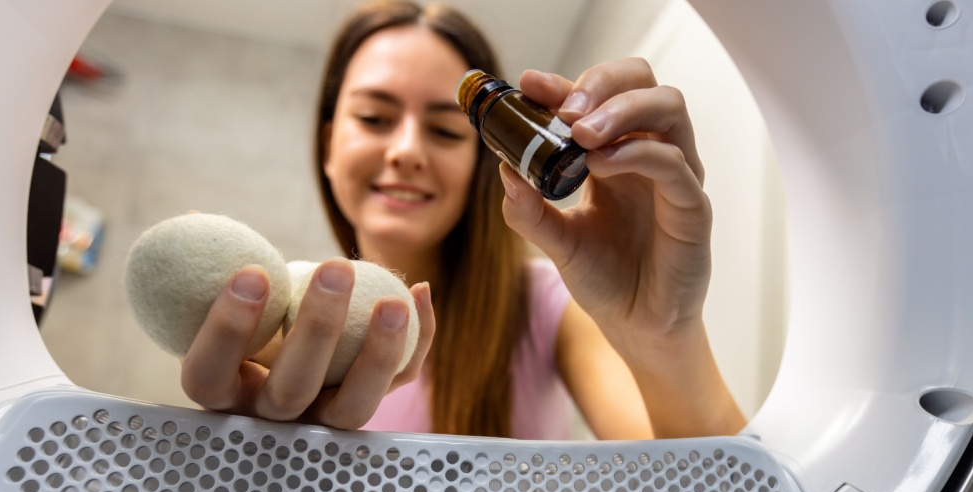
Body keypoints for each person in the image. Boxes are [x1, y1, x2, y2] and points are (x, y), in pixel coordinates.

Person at [180, 0, 746, 441]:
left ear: (487, 159)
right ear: (330, 146)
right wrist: (251, 457)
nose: (405, 150)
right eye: (375, 117)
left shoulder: (549, 304)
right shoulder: (283, 320)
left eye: (446, 130)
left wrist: (663, 333)